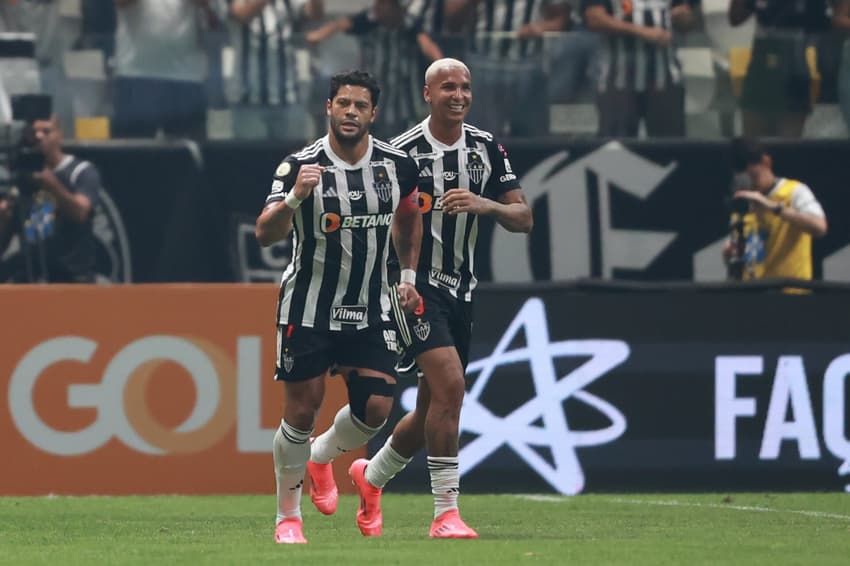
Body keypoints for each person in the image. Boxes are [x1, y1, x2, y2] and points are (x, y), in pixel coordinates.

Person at [308, 58, 533, 538]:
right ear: (427, 94)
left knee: (435, 404)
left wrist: (486, 204)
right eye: (448, 86)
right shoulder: (403, 154)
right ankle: (445, 514)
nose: (459, 95)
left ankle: (370, 476)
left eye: (466, 87)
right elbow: (384, 217)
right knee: (451, 388)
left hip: (461, 288)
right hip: (410, 286)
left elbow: (523, 217)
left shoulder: (485, 147)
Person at [254, 69, 422, 544]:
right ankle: (288, 517)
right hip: (308, 307)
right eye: (343, 103)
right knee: (301, 413)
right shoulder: (299, 165)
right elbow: (265, 233)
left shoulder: (397, 165)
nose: (351, 112)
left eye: (360, 105)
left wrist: (407, 277)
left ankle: (322, 456)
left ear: (374, 113)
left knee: (376, 409)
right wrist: (293, 198)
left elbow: (410, 215)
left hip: (370, 308)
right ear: (328, 107)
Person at [306, 0, 443, 139]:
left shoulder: (409, 25)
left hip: (403, 102)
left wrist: (441, 66)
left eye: (383, 5)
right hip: (375, 99)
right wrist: (319, 35)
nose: (378, 8)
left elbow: (427, 44)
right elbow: (342, 24)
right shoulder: (368, 21)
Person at [0, 114, 103, 283]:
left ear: (59, 135)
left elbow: (81, 212)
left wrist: (51, 185)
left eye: (46, 131)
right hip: (32, 277)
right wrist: (3, 219)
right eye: (34, 133)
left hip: (72, 278)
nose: (39, 137)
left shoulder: (80, 172)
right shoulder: (22, 177)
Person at [582, 0, 700, 137]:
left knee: (668, 146)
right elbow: (594, 19)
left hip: (664, 76)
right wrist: (641, 31)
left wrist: (684, 18)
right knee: (616, 146)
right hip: (618, 78)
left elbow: (688, 20)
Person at [112, 0, 225, 139]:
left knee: (187, 156)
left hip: (187, 78)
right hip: (136, 75)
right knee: (131, 156)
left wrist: (206, 6)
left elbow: (218, 23)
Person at [723, 137, 827, 281]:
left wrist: (774, 207)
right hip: (754, 295)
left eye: (754, 177)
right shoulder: (742, 202)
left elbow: (819, 227)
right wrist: (730, 254)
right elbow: (747, 254)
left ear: (766, 162)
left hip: (790, 294)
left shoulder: (794, 192)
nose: (751, 185)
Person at [465, 0, 570, 137]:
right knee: (481, 137)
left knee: (530, 137)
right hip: (484, 62)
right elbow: (452, 15)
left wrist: (539, 28)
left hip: (528, 64)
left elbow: (561, 19)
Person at [728, 0, 831, 138]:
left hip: (794, 68)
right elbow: (735, 18)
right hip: (762, 70)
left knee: (788, 146)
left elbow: (823, 24)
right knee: (753, 145)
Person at [226, 0, 324, 139]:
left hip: (286, 97)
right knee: (248, 157)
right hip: (248, 99)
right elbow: (241, 14)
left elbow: (315, 14)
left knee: (289, 158)